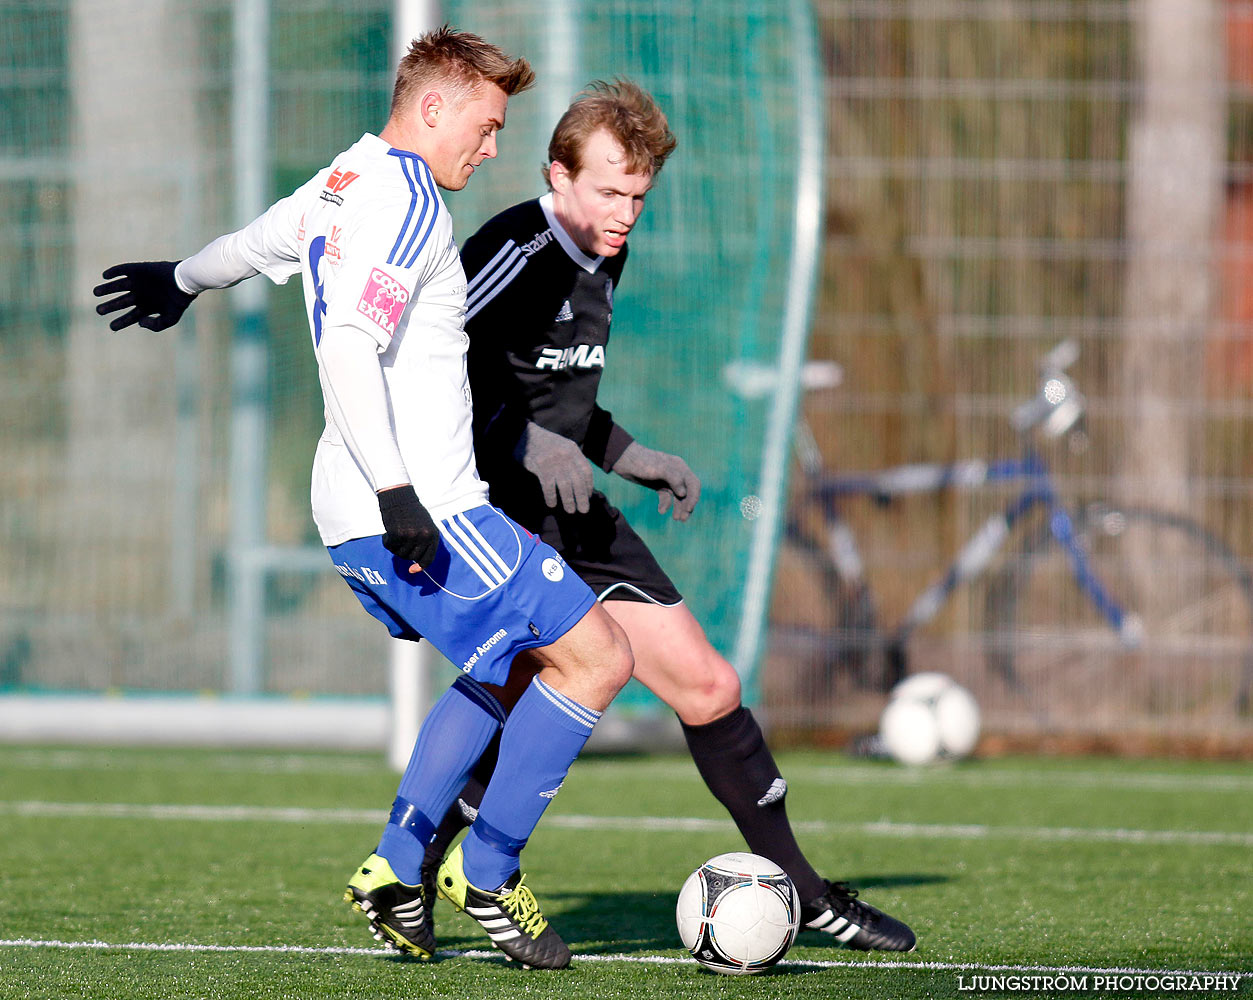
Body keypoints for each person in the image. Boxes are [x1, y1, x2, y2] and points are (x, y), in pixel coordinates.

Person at [92, 28, 636, 972]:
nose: (492, 146)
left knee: (511, 663)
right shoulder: (412, 204)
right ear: (434, 107)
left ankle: (394, 865)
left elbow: (259, 244)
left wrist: (180, 280)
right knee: (596, 657)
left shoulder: (344, 179)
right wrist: (400, 496)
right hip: (419, 502)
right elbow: (348, 342)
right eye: (486, 124)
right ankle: (491, 870)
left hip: (353, 510)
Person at [411, 79, 917, 955]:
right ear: (556, 175)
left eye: (639, 196)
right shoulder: (514, 247)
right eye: (608, 190)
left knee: (711, 687)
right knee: (525, 694)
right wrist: (527, 444)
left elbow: (561, 396)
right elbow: (438, 380)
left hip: (575, 512)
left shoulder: (605, 247)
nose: (625, 212)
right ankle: (415, 873)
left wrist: (630, 454)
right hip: (498, 515)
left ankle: (801, 892)